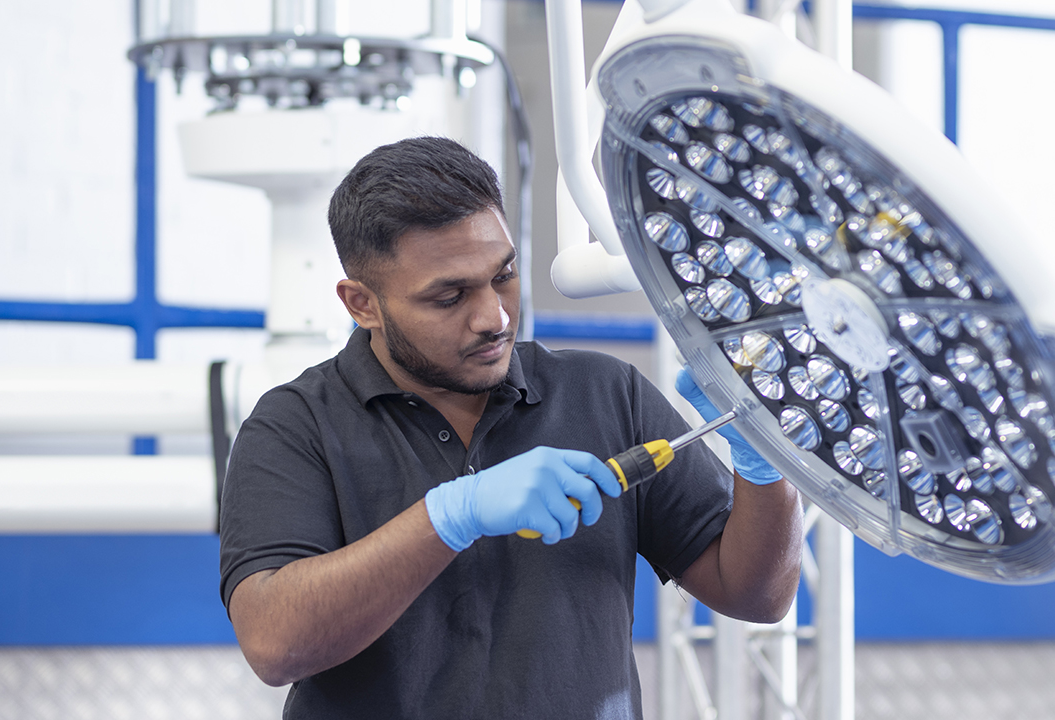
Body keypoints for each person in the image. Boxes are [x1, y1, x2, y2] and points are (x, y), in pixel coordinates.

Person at [218, 136, 804, 719]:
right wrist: (451, 516)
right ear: (361, 303)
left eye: (503, 276)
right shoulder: (295, 426)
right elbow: (274, 644)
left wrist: (767, 466)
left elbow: (757, 595)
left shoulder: (606, 395)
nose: (493, 318)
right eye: (448, 296)